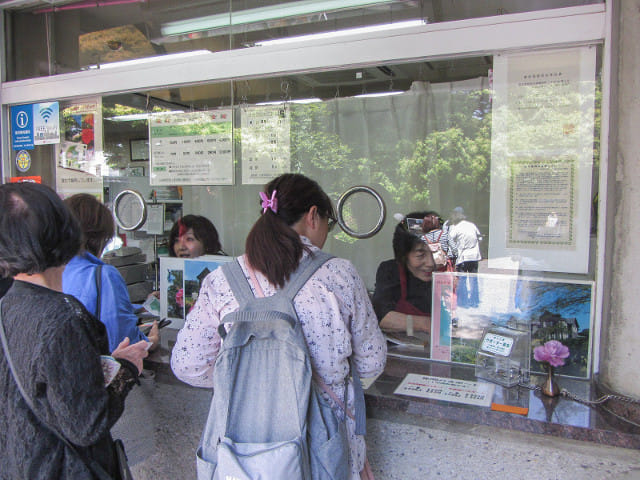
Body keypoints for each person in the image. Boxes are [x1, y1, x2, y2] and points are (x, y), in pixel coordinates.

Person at [171, 173, 387, 479]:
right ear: (313, 216)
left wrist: (251, 380)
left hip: (241, 451)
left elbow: (187, 365)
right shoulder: (339, 275)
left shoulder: (221, 280)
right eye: (328, 221)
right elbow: (372, 362)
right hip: (323, 446)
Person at [0, 182, 149, 479]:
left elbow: (45, 389)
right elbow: (86, 424)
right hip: (60, 468)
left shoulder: (8, 304)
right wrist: (127, 369)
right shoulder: (63, 316)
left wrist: (108, 365)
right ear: (65, 233)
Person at [62, 193, 159, 353]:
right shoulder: (102, 276)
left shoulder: (51, 271)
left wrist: (138, 308)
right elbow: (123, 341)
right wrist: (150, 341)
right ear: (101, 237)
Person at [372, 212, 436, 336]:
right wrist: (426, 324)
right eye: (420, 255)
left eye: (435, 252)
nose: (430, 263)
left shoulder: (446, 274)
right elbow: (382, 317)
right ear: (403, 255)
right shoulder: (390, 271)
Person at [447, 206, 482, 307]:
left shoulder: (456, 228)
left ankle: (463, 302)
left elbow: (450, 240)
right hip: (474, 256)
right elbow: (479, 238)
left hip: (462, 257)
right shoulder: (472, 225)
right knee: (474, 279)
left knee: (462, 279)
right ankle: (475, 302)